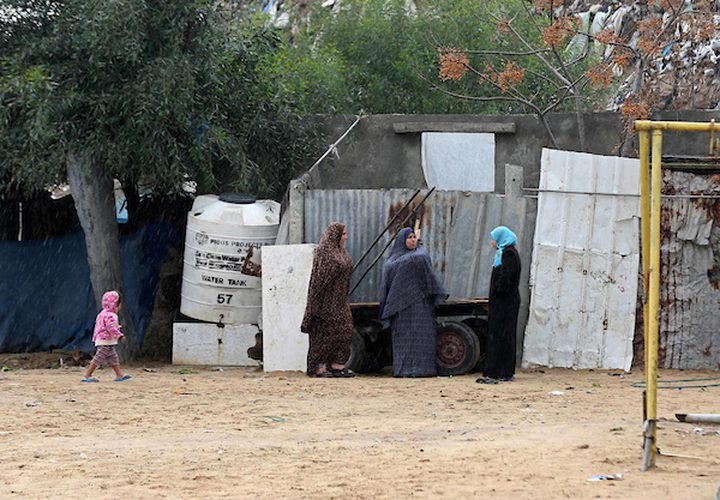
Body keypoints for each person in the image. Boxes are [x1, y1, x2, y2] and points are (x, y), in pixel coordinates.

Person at [379, 227, 448, 377]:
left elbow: (422, 256)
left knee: (421, 337)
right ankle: (404, 370)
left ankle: (423, 370)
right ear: (401, 241)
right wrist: (420, 244)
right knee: (404, 340)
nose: (413, 240)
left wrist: (419, 243)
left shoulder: (417, 257)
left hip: (420, 306)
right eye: (409, 237)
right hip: (401, 308)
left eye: (413, 237)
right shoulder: (397, 260)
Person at [301, 222, 355, 378]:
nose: (346, 237)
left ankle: (337, 365)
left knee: (345, 330)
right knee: (323, 334)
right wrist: (315, 305)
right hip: (325, 301)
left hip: (340, 300)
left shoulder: (342, 252)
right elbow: (318, 281)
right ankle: (319, 366)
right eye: (343, 234)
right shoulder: (324, 253)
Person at [478, 226, 521, 384]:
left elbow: (505, 280)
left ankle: (499, 371)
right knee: (500, 335)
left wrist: (497, 293)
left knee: (502, 336)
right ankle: (499, 371)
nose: (492, 242)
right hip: (503, 302)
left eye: (494, 238)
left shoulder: (508, 254)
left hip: (505, 304)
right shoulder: (503, 253)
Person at [81, 290, 131, 383]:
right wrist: (119, 335)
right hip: (105, 340)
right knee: (98, 357)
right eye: (119, 304)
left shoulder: (103, 313)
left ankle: (119, 375)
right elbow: (110, 327)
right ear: (115, 303)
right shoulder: (110, 315)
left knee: (113, 357)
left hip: (106, 340)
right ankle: (87, 375)